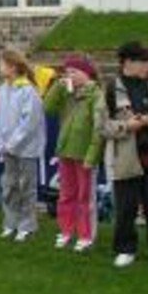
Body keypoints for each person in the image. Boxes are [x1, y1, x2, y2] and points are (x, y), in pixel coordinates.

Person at [95, 41, 148, 274]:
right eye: (144, 60)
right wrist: (127, 126)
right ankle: (125, 249)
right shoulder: (110, 89)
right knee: (126, 209)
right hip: (125, 161)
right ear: (128, 63)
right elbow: (101, 127)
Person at [43, 55, 103, 252]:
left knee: (84, 197)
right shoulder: (67, 93)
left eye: (73, 72)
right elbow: (47, 108)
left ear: (86, 74)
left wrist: (91, 156)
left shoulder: (96, 94)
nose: (69, 76)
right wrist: (58, 87)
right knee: (66, 195)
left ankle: (85, 235)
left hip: (84, 154)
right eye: (67, 72)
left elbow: (98, 129)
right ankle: (66, 230)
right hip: (65, 151)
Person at [0, 49, 47, 242]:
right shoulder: (2, 89)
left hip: (26, 149)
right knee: (9, 186)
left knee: (26, 187)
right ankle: (10, 222)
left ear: (13, 67)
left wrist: (13, 143)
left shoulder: (29, 91)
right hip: (7, 148)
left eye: (2, 64)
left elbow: (29, 122)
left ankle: (27, 225)